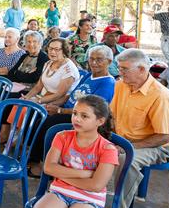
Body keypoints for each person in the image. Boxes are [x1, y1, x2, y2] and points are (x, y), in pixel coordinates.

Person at [109, 48, 169, 208]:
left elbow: (165, 136)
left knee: (126, 159)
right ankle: (81, 198)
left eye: (124, 69)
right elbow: (112, 115)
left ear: (141, 69)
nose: (120, 72)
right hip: (124, 138)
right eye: (119, 68)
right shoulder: (121, 85)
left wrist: (128, 147)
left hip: (156, 146)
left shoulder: (160, 96)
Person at [28, 46, 116, 177]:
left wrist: (60, 111)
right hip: (69, 110)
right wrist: (54, 105)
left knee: (48, 123)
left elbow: (92, 111)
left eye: (99, 59)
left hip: (82, 117)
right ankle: (31, 154)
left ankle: (40, 163)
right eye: (91, 59)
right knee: (35, 113)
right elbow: (70, 96)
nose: (94, 63)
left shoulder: (107, 83)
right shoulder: (88, 75)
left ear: (109, 61)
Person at [6, 31, 49, 97]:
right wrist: (26, 74)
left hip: (30, 92)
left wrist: (17, 73)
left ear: (40, 43)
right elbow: (11, 73)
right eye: (28, 42)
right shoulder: (24, 56)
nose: (31, 44)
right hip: (15, 88)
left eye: (34, 41)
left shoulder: (44, 58)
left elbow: (34, 78)